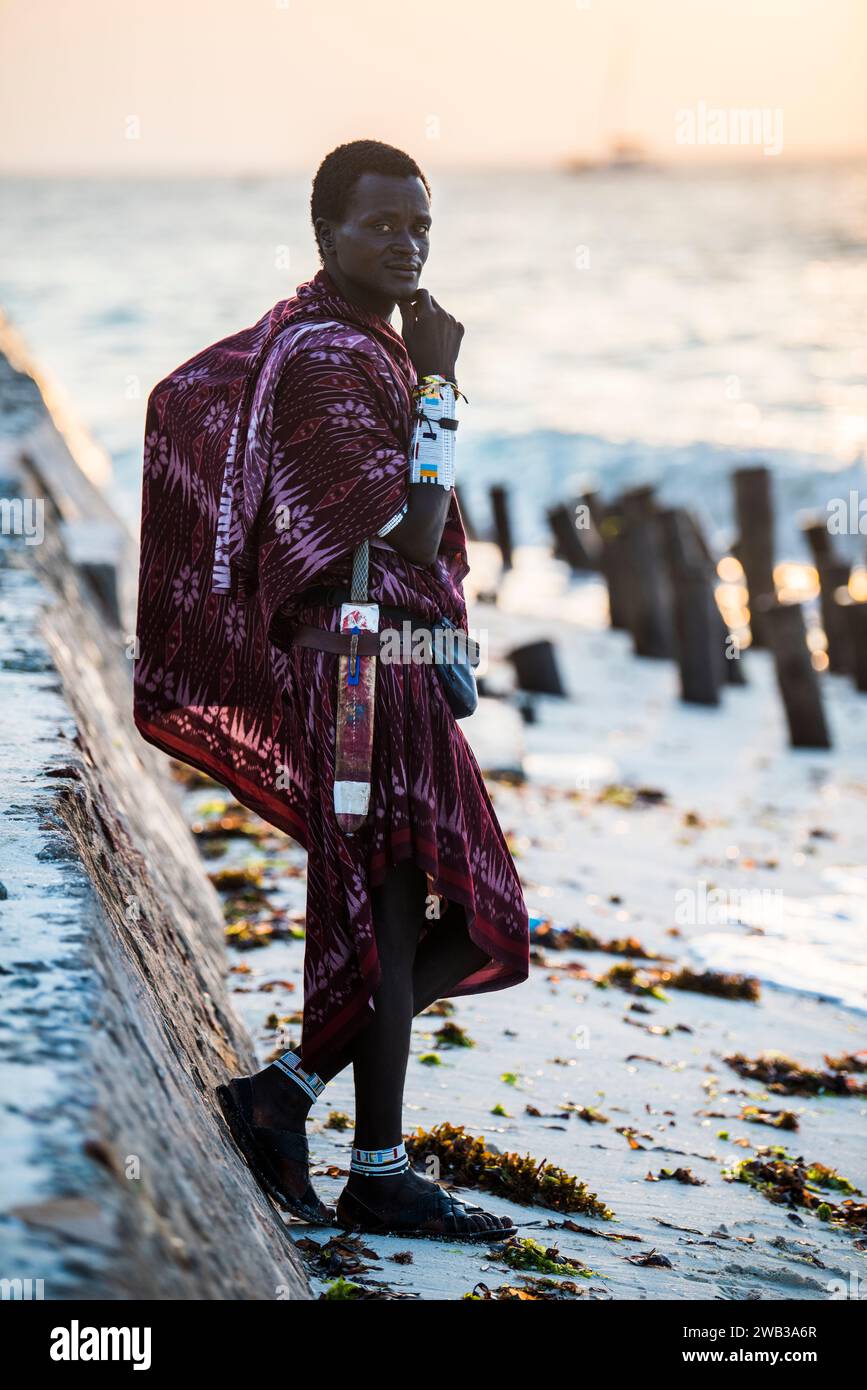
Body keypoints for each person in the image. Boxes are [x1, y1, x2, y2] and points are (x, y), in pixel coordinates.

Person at [134, 140, 529, 1241]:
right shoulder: (324, 358)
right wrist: (443, 383)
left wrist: (427, 381)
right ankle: (373, 1161)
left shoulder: (364, 347)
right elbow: (402, 533)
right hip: (359, 671)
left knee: (439, 912)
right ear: (327, 235)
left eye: (422, 226)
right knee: (416, 906)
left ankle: (298, 1100)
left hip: (380, 662)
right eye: (383, 224)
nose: (407, 243)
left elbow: (407, 522)